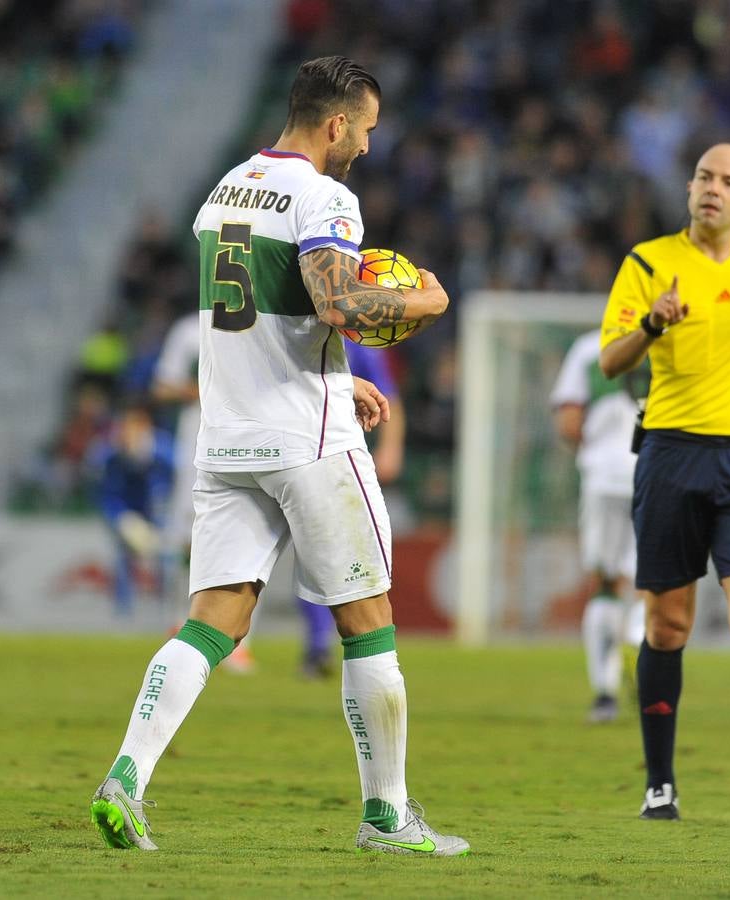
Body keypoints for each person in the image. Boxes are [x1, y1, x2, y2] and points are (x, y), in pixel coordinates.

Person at [88, 55, 468, 856]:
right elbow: (339, 301)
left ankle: (126, 776)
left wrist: (331, 374)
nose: (365, 146)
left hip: (227, 438)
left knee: (212, 621)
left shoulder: (223, 188)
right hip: (308, 441)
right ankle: (387, 817)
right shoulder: (325, 197)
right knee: (368, 625)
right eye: (363, 130)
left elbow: (273, 313)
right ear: (336, 124)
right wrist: (424, 303)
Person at [599, 143, 730, 824]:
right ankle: (659, 783)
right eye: (702, 176)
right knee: (668, 625)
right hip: (671, 456)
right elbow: (610, 360)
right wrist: (653, 322)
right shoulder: (646, 262)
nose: (711, 189)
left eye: (728, 181)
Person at [550, 330, 646, 723]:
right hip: (657, 472)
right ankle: (638, 643)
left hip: (604, 476)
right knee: (651, 582)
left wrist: (591, 447)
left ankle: (604, 692)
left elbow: (569, 422)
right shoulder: (675, 336)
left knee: (604, 582)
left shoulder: (590, 348)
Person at [151, 311, 256, 673]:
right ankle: (179, 622)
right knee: (189, 540)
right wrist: (207, 386)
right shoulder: (188, 329)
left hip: (248, 440)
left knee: (245, 542)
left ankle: (238, 639)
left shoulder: (261, 319)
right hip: (196, 444)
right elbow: (162, 386)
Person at [299, 339, 406, 679]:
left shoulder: (359, 345)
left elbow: (390, 397)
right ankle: (323, 647)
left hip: (333, 456)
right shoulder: (296, 328)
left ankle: (327, 647)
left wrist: (390, 448)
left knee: (326, 560)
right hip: (293, 452)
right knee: (309, 561)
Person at [94, 400, 175, 616]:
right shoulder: (111, 455)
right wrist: (120, 519)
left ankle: (166, 609)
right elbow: (106, 492)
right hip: (126, 513)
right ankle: (124, 614)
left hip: (159, 512)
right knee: (122, 559)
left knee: (165, 558)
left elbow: (180, 478)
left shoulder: (164, 451)